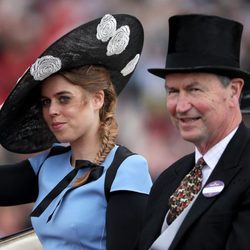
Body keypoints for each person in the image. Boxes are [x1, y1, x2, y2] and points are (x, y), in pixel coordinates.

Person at [0, 13, 152, 250]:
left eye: (64, 99)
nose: (52, 110)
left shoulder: (126, 170)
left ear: (97, 99)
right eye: (45, 102)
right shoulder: (48, 165)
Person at [136, 14, 250, 250]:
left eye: (194, 89)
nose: (181, 106)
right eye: (173, 91)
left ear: (234, 91)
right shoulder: (168, 179)